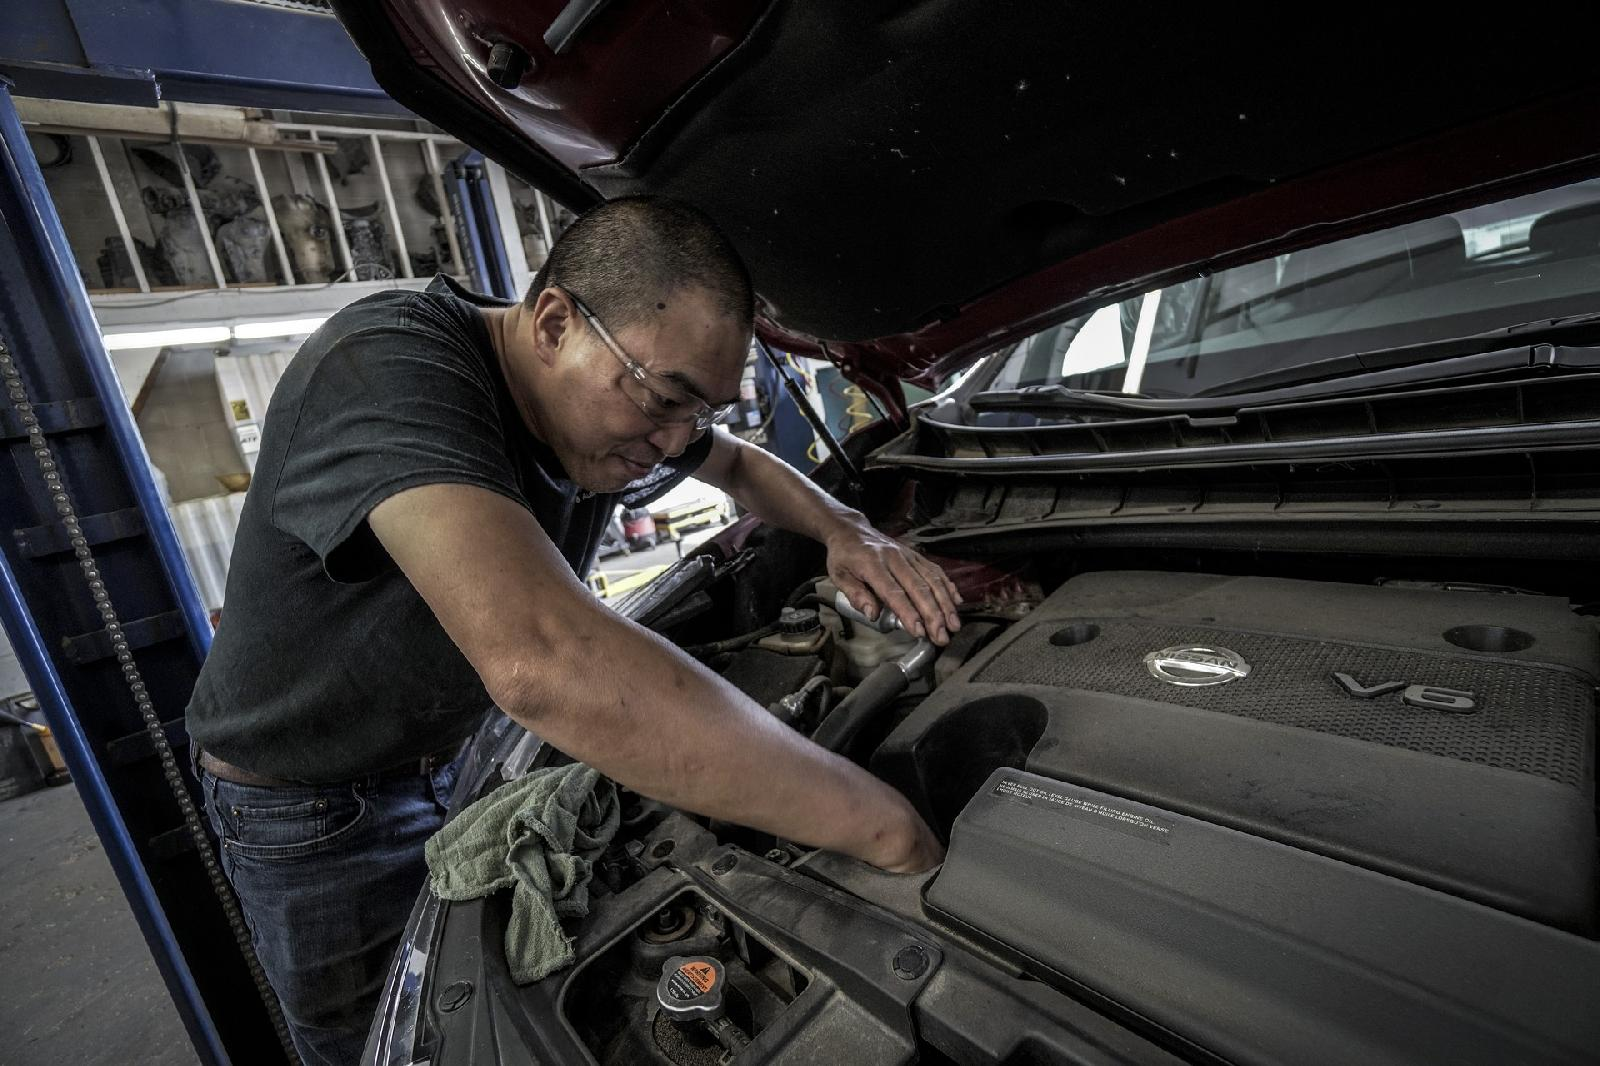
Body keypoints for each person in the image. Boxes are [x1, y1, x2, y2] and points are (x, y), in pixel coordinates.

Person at [185, 196, 958, 1064]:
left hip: (462, 754)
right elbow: (543, 661)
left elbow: (736, 462)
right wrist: (879, 827)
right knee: (389, 1046)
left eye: (698, 412)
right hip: (318, 807)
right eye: (665, 400)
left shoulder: (600, 391)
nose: (673, 443)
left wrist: (842, 529)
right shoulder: (388, 371)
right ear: (554, 322)